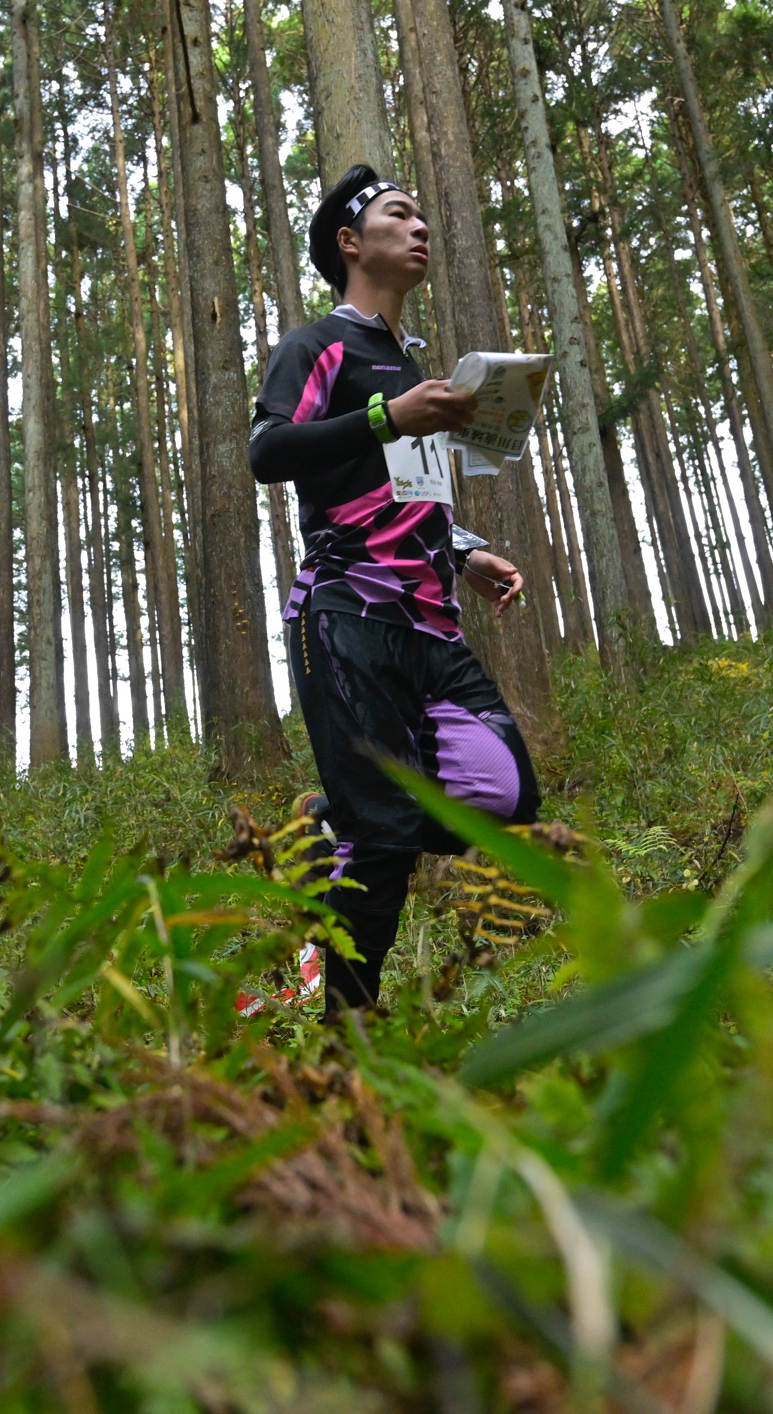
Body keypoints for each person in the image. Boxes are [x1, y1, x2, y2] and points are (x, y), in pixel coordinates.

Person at [249, 164, 541, 1021]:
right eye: (398, 214)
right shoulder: (318, 346)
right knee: (384, 841)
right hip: (346, 614)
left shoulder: (412, 365)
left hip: (433, 627)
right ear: (350, 242)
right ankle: (347, 1047)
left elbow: (406, 491)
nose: (420, 228)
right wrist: (385, 417)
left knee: (505, 797)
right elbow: (268, 451)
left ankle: (329, 818)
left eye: (421, 217)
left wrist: (467, 552)